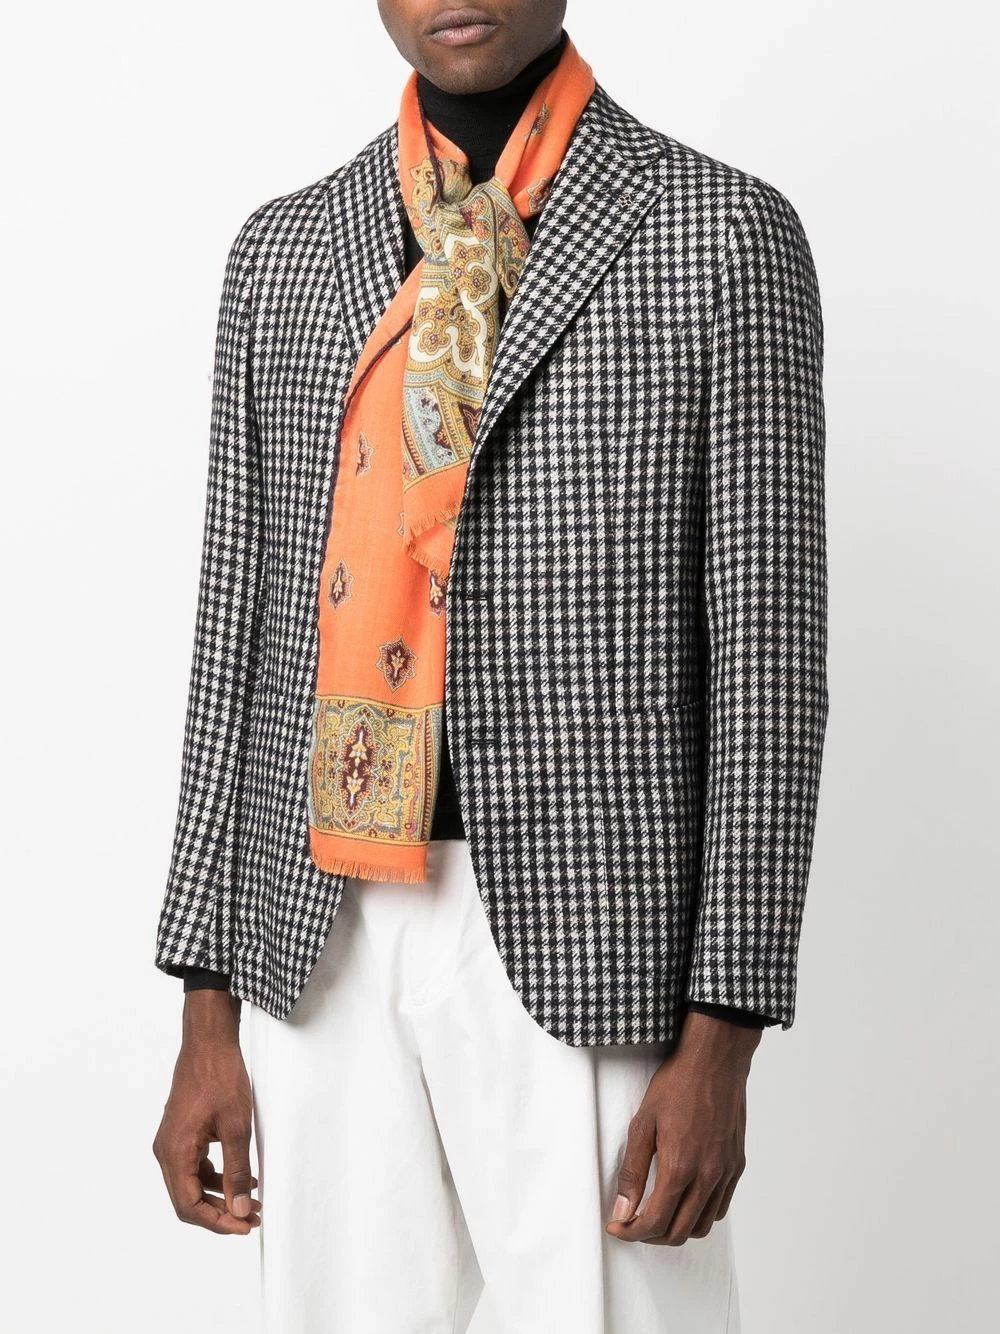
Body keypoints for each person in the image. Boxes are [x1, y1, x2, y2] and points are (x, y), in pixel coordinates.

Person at [152, 3, 828, 1330]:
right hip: (321, 922)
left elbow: (768, 658)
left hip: (600, 933)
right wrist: (206, 1005)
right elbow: (234, 632)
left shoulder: (720, 234)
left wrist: (725, 1027)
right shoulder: (282, 252)